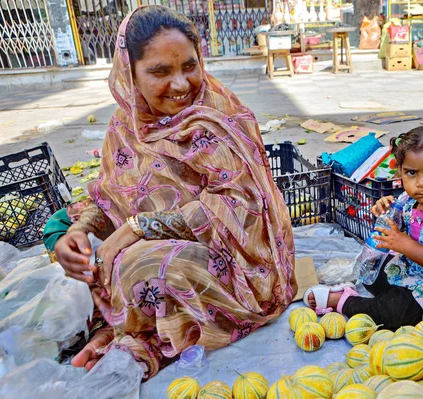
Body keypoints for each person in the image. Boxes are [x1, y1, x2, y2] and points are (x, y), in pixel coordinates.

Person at [44, 5, 296, 380]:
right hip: (151, 252)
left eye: (189, 66)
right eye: (160, 71)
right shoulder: (124, 126)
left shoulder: (219, 118)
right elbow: (109, 198)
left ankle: (145, 338)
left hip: (237, 268)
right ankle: (121, 328)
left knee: (146, 265)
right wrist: (78, 231)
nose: (180, 85)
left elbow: (239, 205)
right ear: (129, 74)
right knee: (74, 270)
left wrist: (140, 226)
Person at [304, 126, 423, 330]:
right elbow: (395, 228)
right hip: (418, 271)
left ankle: (346, 302)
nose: (422, 183)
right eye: (411, 173)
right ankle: (381, 296)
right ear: (400, 172)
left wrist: (405, 244)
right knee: (374, 274)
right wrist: (384, 210)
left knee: (399, 313)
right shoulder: (408, 199)